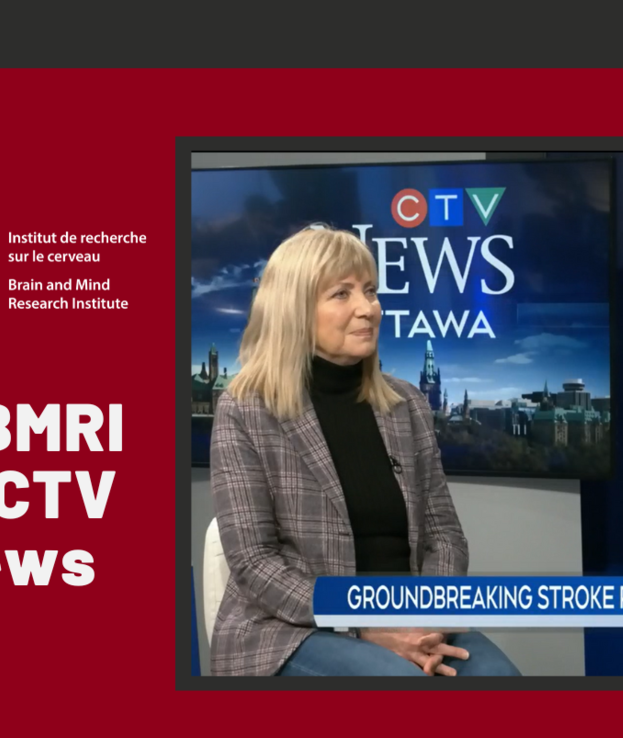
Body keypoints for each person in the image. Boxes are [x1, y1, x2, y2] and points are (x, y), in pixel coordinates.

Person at [209, 225, 522, 677]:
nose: (368, 308)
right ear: (294, 311)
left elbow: (445, 538)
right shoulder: (246, 408)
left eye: (370, 291)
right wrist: (362, 624)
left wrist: (425, 619)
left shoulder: (407, 404)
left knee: (501, 681)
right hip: (291, 629)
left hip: (414, 615)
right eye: (342, 294)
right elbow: (256, 564)